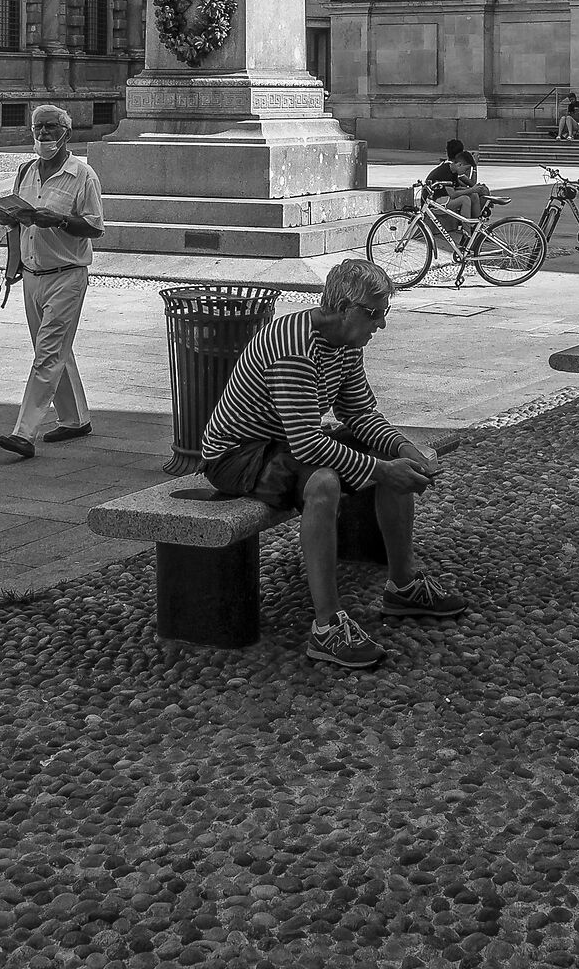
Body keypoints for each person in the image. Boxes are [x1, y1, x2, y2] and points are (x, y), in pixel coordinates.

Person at [198, 257, 465, 670]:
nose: (381, 325)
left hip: (283, 440)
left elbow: (359, 414)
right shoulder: (295, 346)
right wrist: (383, 471)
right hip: (237, 453)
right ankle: (327, 627)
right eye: (374, 314)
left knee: (383, 456)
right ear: (344, 308)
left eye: (384, 313)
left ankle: (402, 584)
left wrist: (404, 450)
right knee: (322, 483)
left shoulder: (344, 343)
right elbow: (307, 446)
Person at [0, 105, 104, 460]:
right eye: (37, 127)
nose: (43, 133)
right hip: (31, 275)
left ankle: (23, 433)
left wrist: (58, 220)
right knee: (57, 351)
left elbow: (94, 227)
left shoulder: (82, 176)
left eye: (51, 127)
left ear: (65, 133)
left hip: (67, 276)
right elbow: (15, 222)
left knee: (48, 354)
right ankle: (75, 420)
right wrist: (7, 216)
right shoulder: (25, 171)